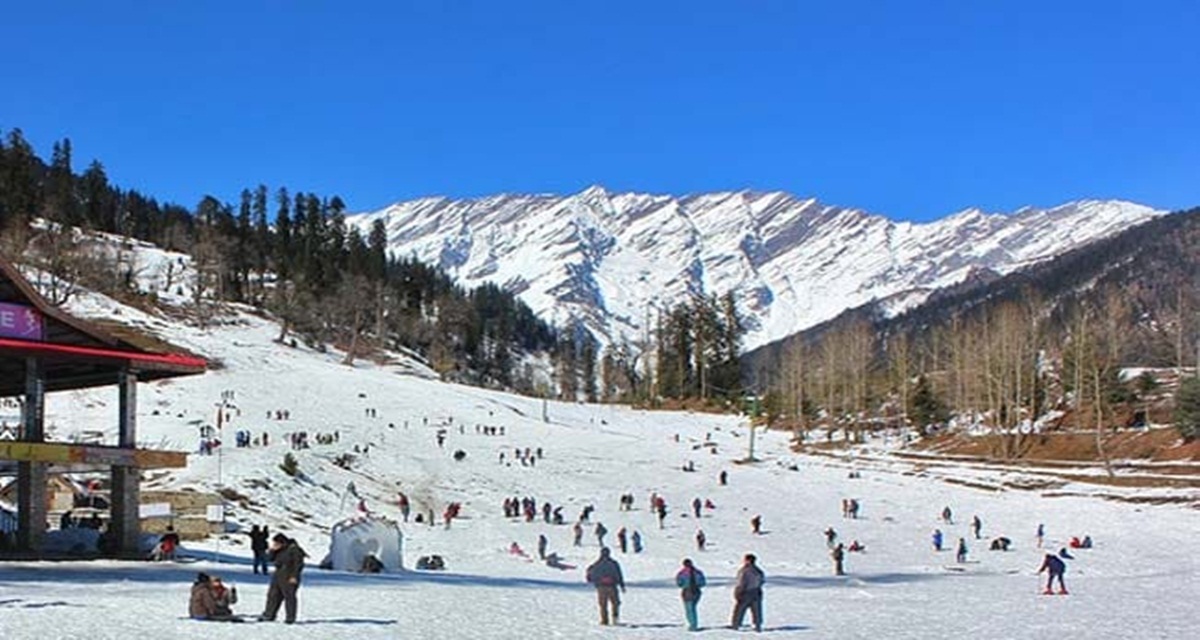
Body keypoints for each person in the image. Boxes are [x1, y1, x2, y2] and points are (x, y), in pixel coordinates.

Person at [260, 533, 306, 624]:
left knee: (289, 597)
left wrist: (294, 576)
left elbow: (298, 564)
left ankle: (290, 617)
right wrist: (272, 550)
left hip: (289, 575)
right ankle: (269, 614)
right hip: (278, 574)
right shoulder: (279, 550)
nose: (275, 545)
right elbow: (269, 559)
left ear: (283, 543)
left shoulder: (294, 549)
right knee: (273, 595)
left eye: (277, 543)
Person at [585, 548, 626, 626]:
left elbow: (592, 577)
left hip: (601, 588)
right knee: (615, 603)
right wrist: (622, 585)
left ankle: (604, 620)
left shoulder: (596, 564)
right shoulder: (614, 563)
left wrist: (597, 583)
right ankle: (615, 618)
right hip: (612, 587)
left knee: (603, 605)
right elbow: (619, 575)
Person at [730, 553, 764, 632]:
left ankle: (736, 625)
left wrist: (738, 592)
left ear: (748, 561)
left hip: (745, 592)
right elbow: (762, 581)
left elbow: (741, 582)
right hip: (756, 592)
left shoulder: (744, 570)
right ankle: (757, 625)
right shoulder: (758, 570)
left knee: (739, 610)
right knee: (756, 610)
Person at [675, 558, 707, 632]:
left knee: (689, 609)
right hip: (697, 592)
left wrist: (684, 585)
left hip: (687, 592)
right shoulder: (698, 572)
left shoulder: (682, 573)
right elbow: (703, 583)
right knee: (693, 608)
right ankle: (693, 624)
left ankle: (693, 625)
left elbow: (679, 583)